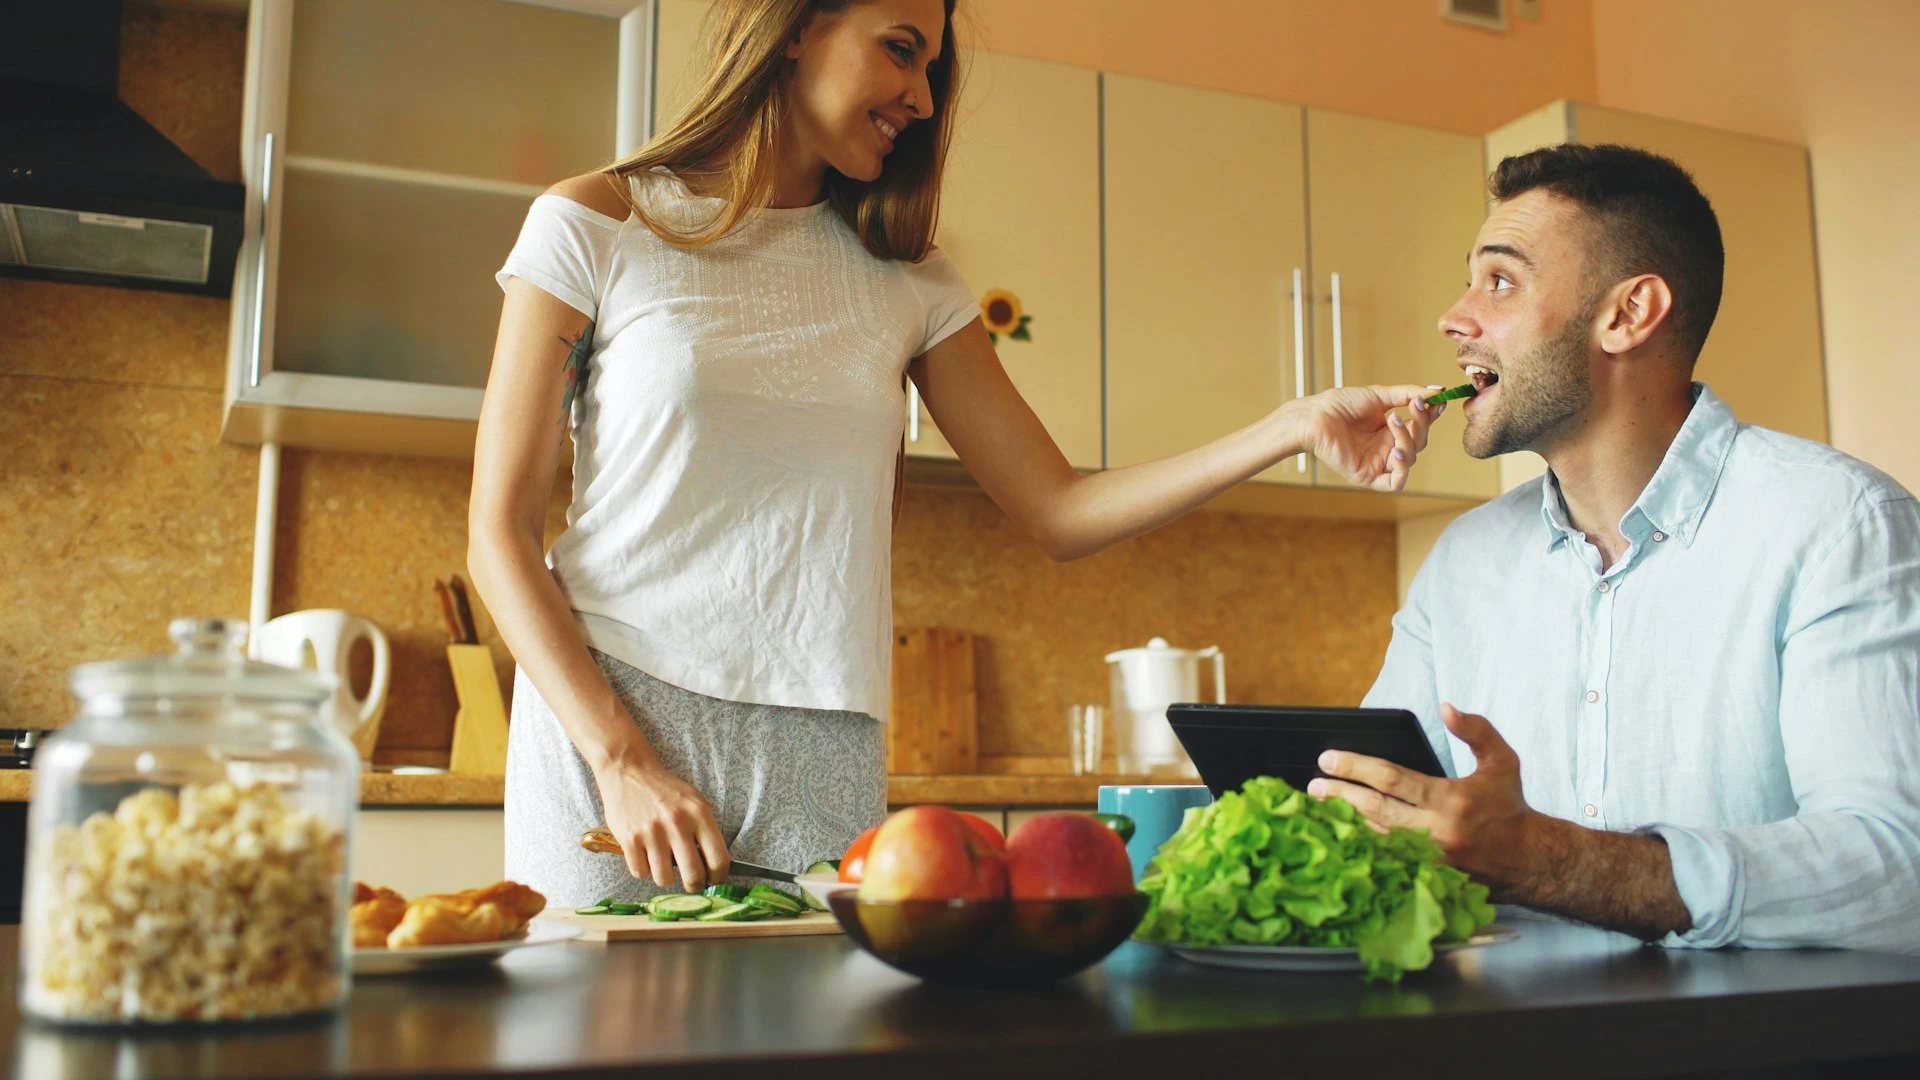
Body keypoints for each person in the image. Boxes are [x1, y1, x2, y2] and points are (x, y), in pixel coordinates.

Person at [468, 0, 1445, 906]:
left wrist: (1291, 425)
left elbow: (1060, 509)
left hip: (824, 745)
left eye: (933, 68)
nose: (923, 98)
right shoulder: (597, 225)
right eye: (901, 47)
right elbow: (498, 537)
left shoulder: (912, 283)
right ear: (800, 25)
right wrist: (620, 760)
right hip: (614, 722)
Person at [1317, 142, 1920, 952]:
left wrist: (1549, 861)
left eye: (1499, 281)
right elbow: (1365, 809)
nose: (1454, 318)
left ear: (1629, 314)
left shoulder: (1840, 523)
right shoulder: (1464, 563)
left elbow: (1895, 869)